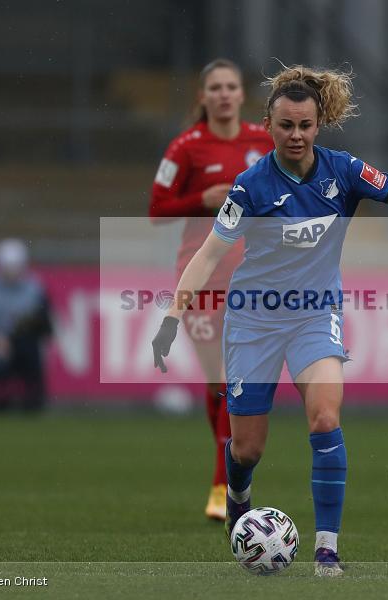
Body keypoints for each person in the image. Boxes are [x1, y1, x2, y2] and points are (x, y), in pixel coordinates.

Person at [151, 64, 388, 576]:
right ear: (269, 125)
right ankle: (238, 494)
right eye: (286, 126)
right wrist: (173, 316)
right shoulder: (251, 186)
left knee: (326, 419)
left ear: (318, 124)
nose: (297, 135)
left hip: (314, 316)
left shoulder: (344, 170)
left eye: (305, 125)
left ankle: (327, 549)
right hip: (254, 323)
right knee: (247, 448)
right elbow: (210, 255)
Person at [149, 59, 274, 521]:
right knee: (219, 384)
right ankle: (228, 458)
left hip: (254, 280)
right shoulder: (185, 148)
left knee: (231, 377)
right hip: (201, 279)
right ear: (202, 96)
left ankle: (223, 486)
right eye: (215, 88)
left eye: (231, 87)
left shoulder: (263, 142)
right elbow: (157, 210)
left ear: (242, 95)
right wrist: (199, 200)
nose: (223, 94)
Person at [0, 238, 54, 411]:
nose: (12, 272)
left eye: (16, 266)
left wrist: (16, 337)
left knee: (31, 356)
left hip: (24, 342)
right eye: (8, 267)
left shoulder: (35, 289)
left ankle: (33, 405)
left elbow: (45, 325)